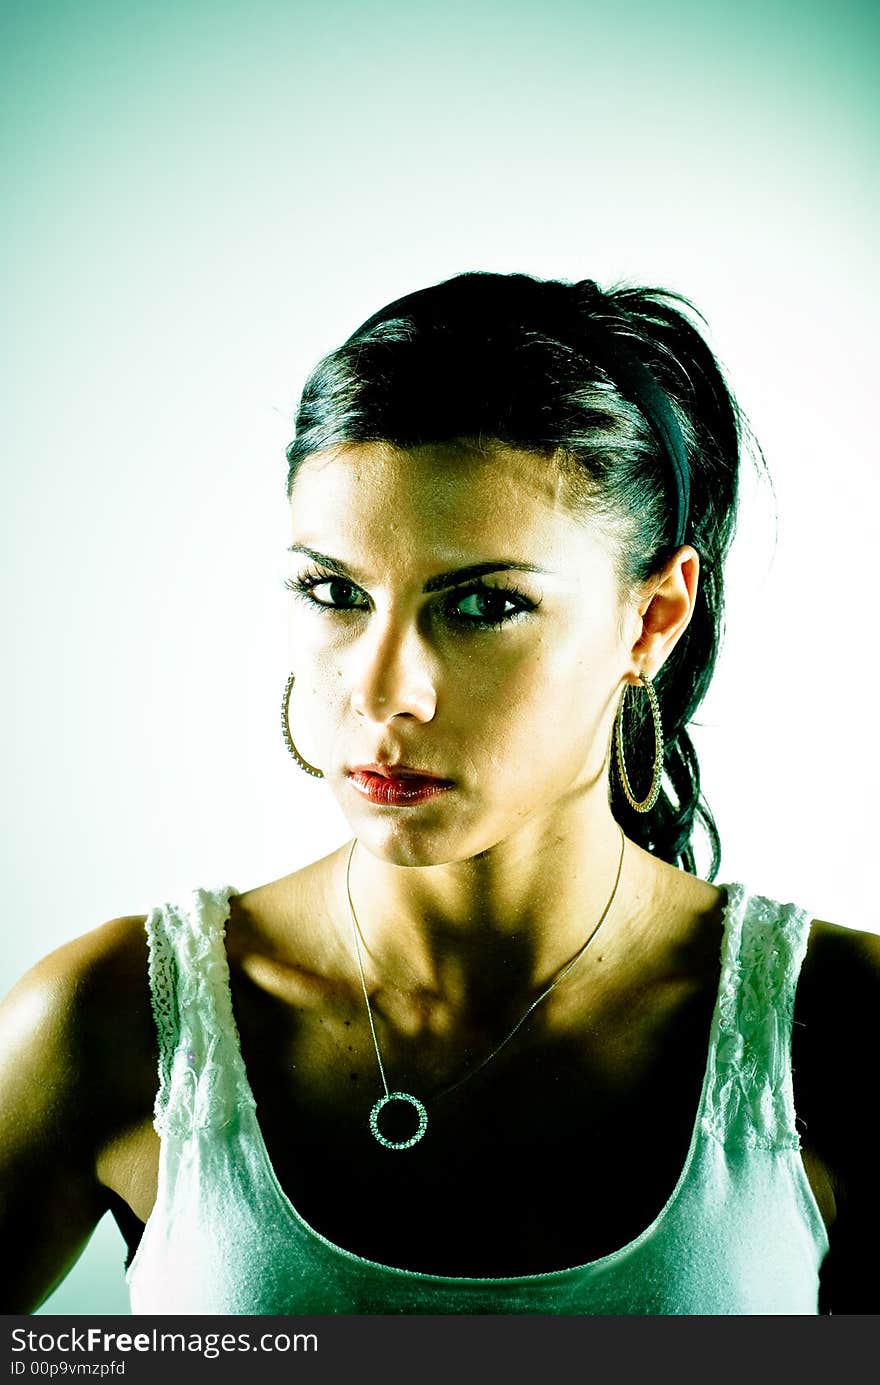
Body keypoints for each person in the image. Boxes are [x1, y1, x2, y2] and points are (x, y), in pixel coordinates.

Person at [1, 271, 877, 1316]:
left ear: (651, 618)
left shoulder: (841, 1031)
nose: (379, 691)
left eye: (483, 604)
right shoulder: (110, 1024)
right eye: (335, 592)